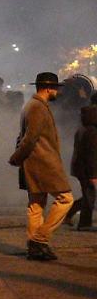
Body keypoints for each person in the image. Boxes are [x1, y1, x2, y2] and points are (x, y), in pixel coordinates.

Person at [8, 72, 74, 261]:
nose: (58, 92)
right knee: (65, 199)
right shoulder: (37, 107)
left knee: (36, 204)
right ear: (48, 88)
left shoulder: (32, 105)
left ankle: (35, 249)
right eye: (56, 89)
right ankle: (39, 239)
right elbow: (30, 138)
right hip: (43, 162)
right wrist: (16, 157)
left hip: (35, 162)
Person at [64, 96, 96, 230]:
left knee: (88, 196)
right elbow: (92, 155)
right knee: (89, 196)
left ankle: (70, 214)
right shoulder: (92, 130)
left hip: (82, 168)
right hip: (88, 169)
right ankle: (83, 224)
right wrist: (93, 175)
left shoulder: (85, 125)